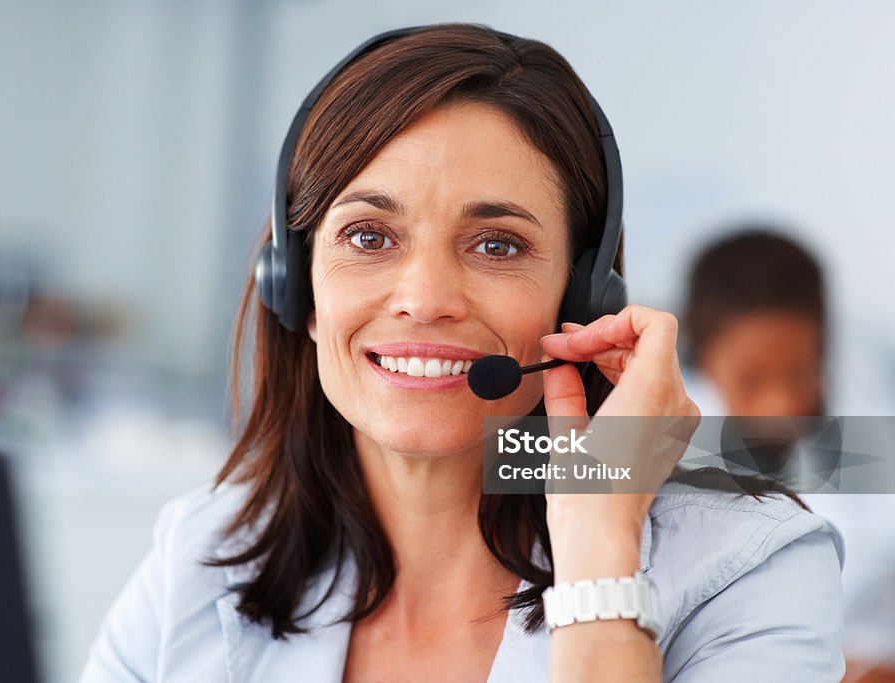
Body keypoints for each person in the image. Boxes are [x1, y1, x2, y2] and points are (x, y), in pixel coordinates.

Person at [81, 24, 844, 682]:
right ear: (297, 288)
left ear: (582, 302)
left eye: (496, 244)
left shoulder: (751, 567)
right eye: (369, 236)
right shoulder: (204, 554)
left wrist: (600, 545)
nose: (425, 296)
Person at [682, 229, 895, 682]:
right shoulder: (662, 451)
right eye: (751, 380)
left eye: (800, 373)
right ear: (702, 359)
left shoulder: (872, 438)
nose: (779, 407)